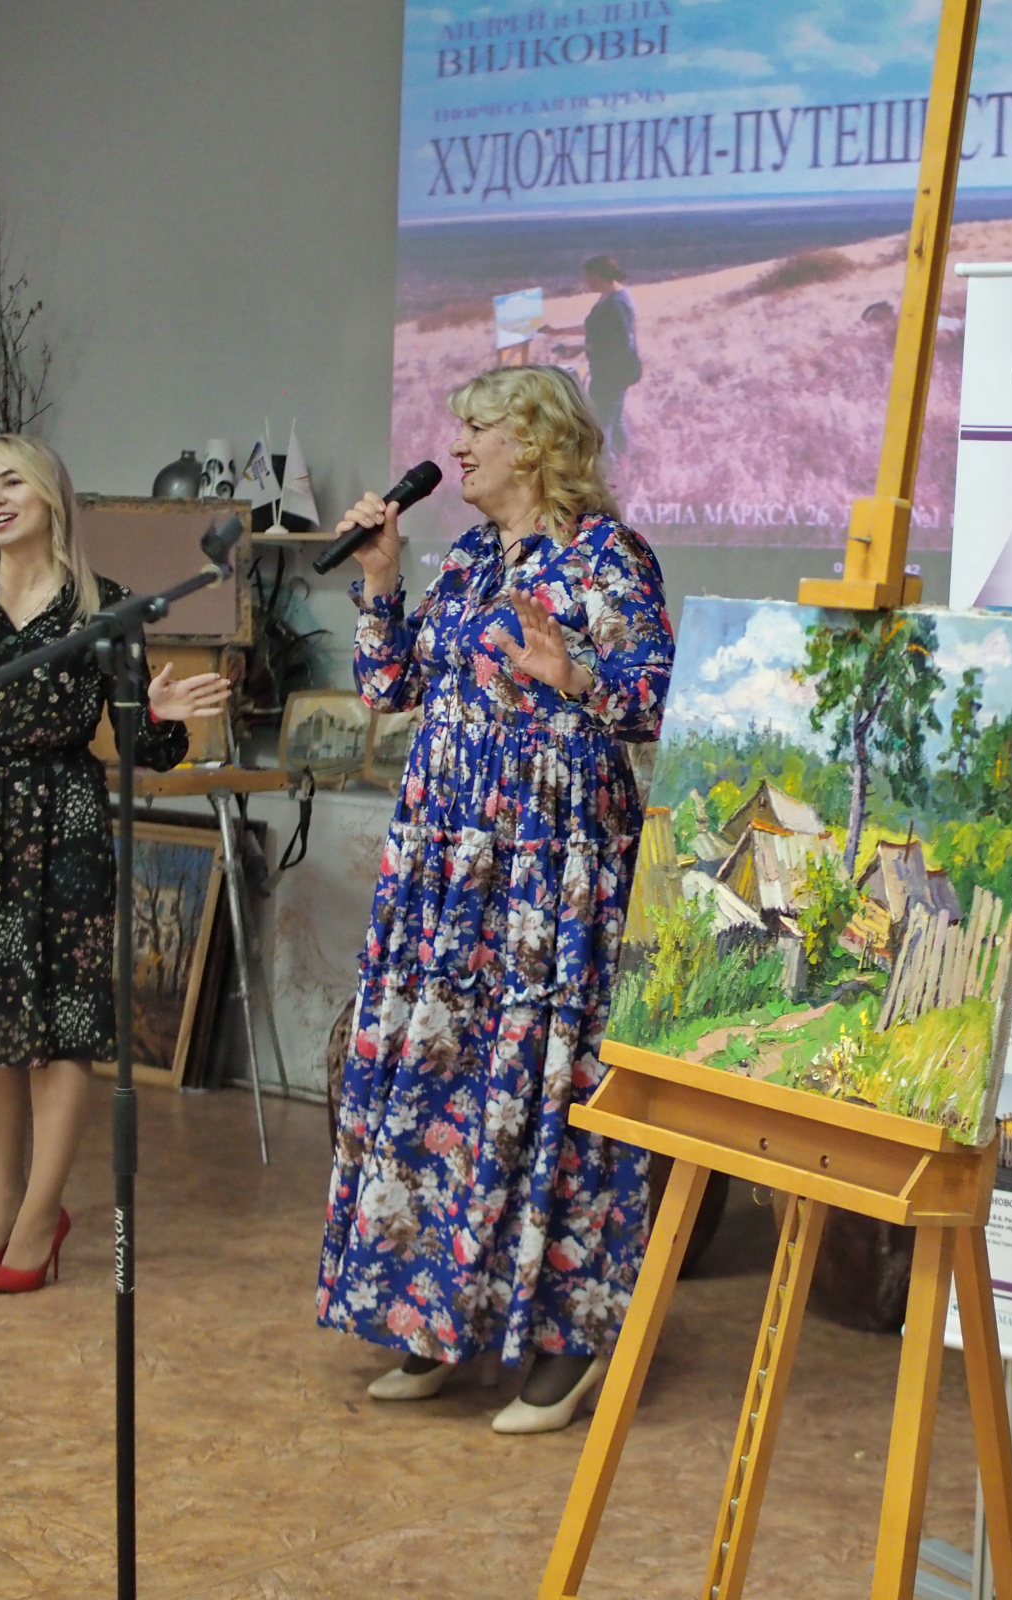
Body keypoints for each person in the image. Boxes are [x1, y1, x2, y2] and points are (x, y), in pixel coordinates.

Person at [317, 364, 673, 1434]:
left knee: (549, 1080)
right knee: (446, 1075)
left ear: (538, 442)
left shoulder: (609, 557)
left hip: (550, 866)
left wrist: (576, 679)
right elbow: (392, 688)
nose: (458, 446)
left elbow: (657, 700)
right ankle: (442, 1311)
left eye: (479, 427)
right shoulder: (473, 556)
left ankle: (570, 1337)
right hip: (448, 864)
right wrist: (382, 579)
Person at [0, 435, 231, 1294]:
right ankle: (0, 1209)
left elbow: (141, 748)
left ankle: (39, 1216)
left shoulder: (104, 608)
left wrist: (159, 713)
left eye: (11, 481)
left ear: (51, 494)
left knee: (60, 1029)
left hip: (63, 826)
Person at [546, 255, 641, 460]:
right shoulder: (610, 297)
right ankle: (626, 463)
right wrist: (557, 331)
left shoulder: (616, 304)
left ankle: (608, 469)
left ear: (599, 276)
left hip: (612, 374)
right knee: (614, 419)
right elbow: (596, 329)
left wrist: (582, 348)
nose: (586, 282)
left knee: (600, 425)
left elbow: (618, 344)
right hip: (613, 372)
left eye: (588, 278)